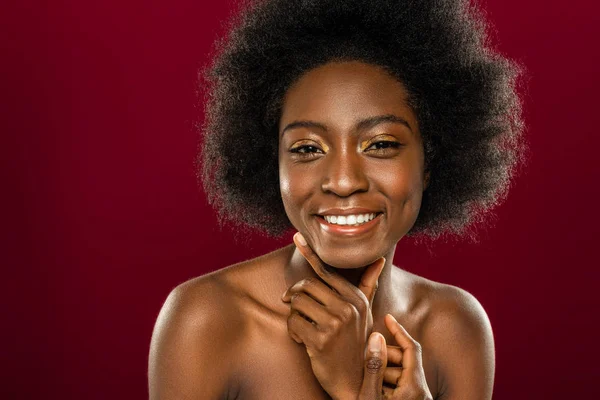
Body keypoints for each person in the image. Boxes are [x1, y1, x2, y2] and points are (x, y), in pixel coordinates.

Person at [148, 0, 525, 398]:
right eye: (307, 149)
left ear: (430, 162)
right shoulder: (209, 321)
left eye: (380, 144)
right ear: (270, 163)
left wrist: (353, 385)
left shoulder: (455, 328)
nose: (343, 182)